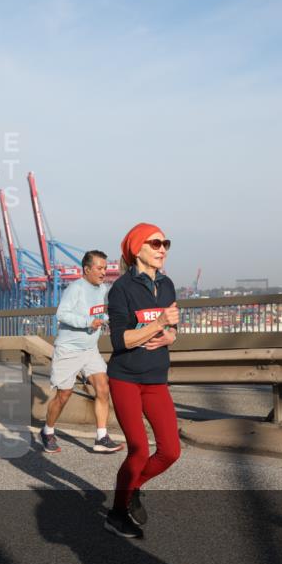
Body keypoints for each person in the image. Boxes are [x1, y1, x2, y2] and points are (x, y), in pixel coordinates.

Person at [104, 223, 180, 539]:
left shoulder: (167, 285)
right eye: (155, 243)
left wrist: (170, 336)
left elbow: (172, 329)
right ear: (138, 249)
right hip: (125, 377)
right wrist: (158, 323)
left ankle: (132, 487)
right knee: (137, 448)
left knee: (170, 451)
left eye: (165, 243)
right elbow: (120, 340)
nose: (163, 249)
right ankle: (117, 513)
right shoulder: (121, 289)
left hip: (156, 378)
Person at [40, 250, 125, 455]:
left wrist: (106, 319)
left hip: (90, 350)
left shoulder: (102, 289)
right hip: (69, 350)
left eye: (105, 268)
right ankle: (48, 430)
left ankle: (101, 437)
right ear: (87, 269)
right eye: (99, 268)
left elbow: (98, 313)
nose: (104, 272)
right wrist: (88, 322)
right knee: (63, 395)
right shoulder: (75, 288)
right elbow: (62, 314)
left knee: (103, 388)